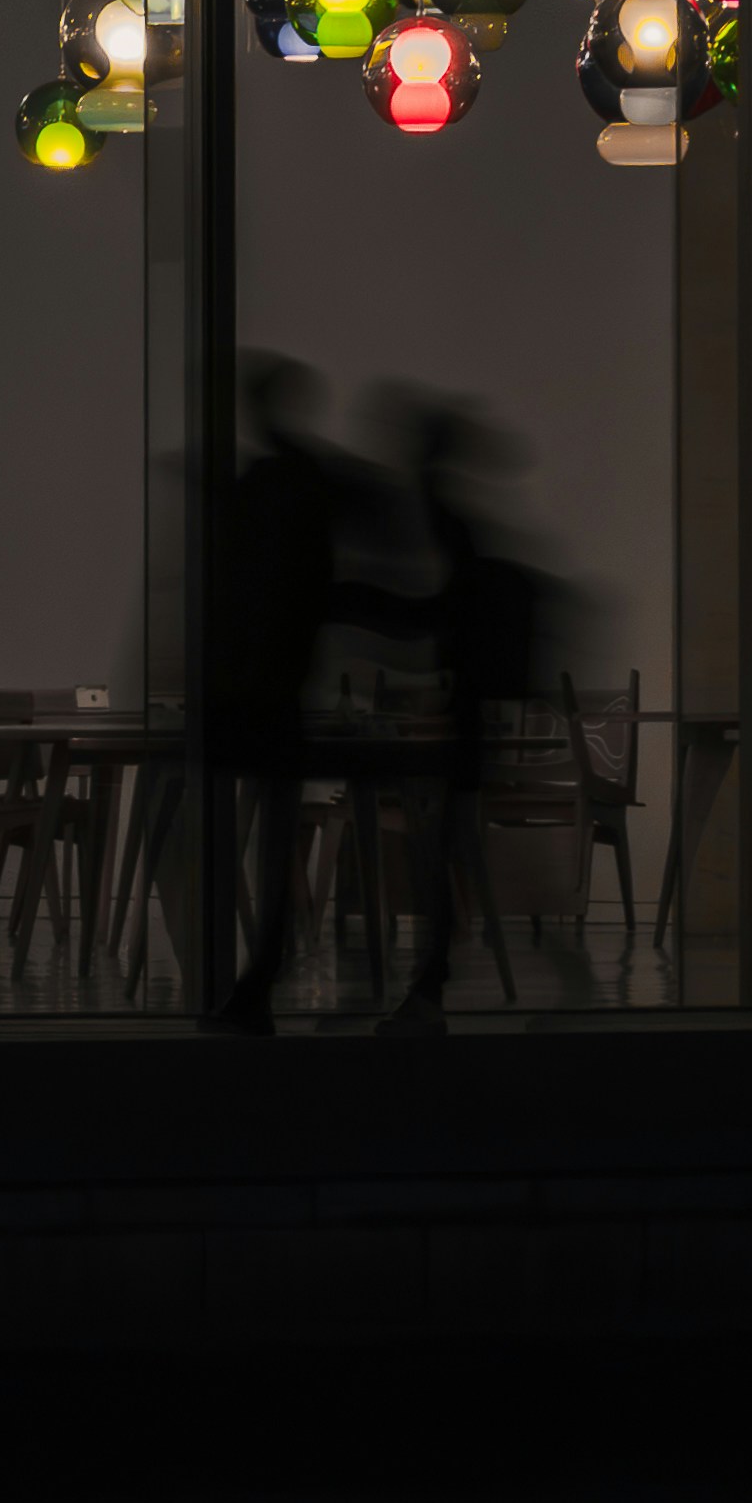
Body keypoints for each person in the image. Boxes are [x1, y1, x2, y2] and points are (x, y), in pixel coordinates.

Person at [356, 394, 556, 1035]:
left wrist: (354, 608)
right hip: (463, 711)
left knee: (438, 848)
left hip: (457, 713)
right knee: (444, 846)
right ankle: (431, 983)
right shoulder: (446, 516)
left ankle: (429, 984)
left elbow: (436, 612)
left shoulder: (433, 517)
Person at [200, 353, 358, 1033]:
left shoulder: (266, 484)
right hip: (280, 682)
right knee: (273, 837)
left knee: (254, 836)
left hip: (256, 684)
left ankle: (258, 972)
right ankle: (262, 967)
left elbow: (240, 590)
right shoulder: (307, 479)